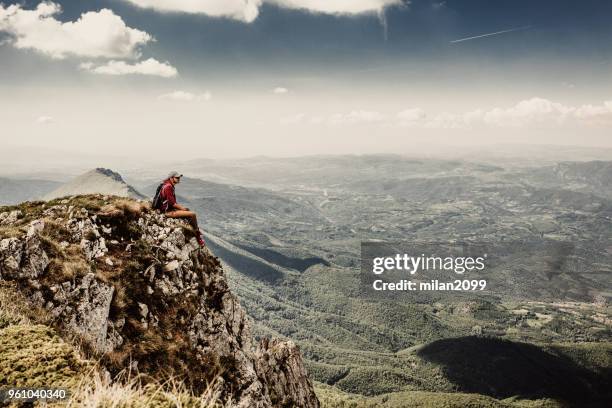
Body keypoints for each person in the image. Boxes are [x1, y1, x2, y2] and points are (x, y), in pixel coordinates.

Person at [158, 171, 206, 247]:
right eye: (177, 178)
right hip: (168, 212)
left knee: (188, 212)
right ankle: (197, 234)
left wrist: (183, 209)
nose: (179, 179)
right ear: (171, 178)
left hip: (169, 209)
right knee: (193, 214)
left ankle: (195, 231)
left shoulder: (167, 185)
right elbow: (172, 203)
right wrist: (182, 209)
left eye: (179, 177)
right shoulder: (168, 187)